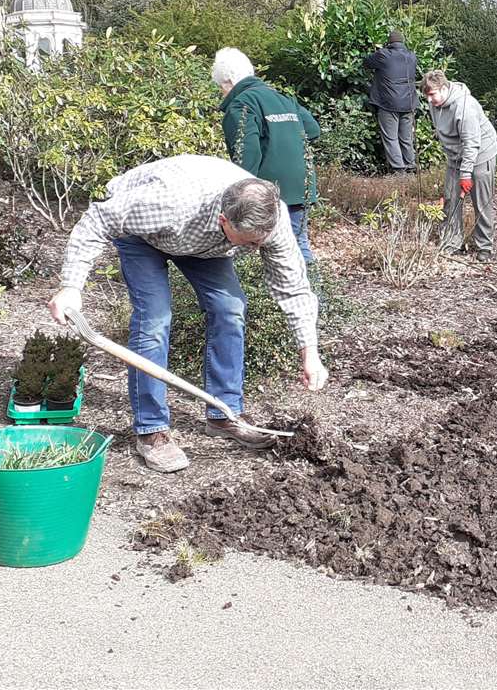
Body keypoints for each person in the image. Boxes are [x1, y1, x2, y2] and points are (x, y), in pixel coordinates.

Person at [47, 155, 329, 474]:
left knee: (230, 307)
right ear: (224, 220)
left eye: (259, 241)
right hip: (144, 237)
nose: (255, 249)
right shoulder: (167, 202)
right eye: (249, 243)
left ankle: (225, 415)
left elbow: (292, 285)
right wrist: (71, 286)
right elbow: (97, 220)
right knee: (154, 320)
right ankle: (151, 430)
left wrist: (310, 352)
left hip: (202, 245)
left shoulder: (269, 220)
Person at [212, 47, 321, 264]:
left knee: (250, 249)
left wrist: (236, 197)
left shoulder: (241, 104)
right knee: (298, 247)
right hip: (301, 186)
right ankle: (314, 294)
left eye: (220, 87)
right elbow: (313, 130)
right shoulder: (282, 97)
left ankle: (253, 295)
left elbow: (246, 157)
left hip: (264, 194)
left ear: (228, 82)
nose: (222, 92)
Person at [422, 70, 497, 262]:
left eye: (432, 95)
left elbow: (471, 143)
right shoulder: (435, 104)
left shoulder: (465, 108)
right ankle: (452, 243)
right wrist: (456, 164)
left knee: (481, 202)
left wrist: (466, 175)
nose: (430, 100)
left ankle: (484, 247)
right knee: (450, 198)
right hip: (456, 158)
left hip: (481, 154)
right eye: (427, 96)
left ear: (444, 88)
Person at [362, 30, 420, 172]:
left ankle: (399, 170)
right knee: (406, 138)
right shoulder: (412, 56)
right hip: (409, 104)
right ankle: (411, 167)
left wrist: (378, 49)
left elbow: (366, 62)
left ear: (389, 42)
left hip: (389, 104)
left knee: (391, 138)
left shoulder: (383, 54)